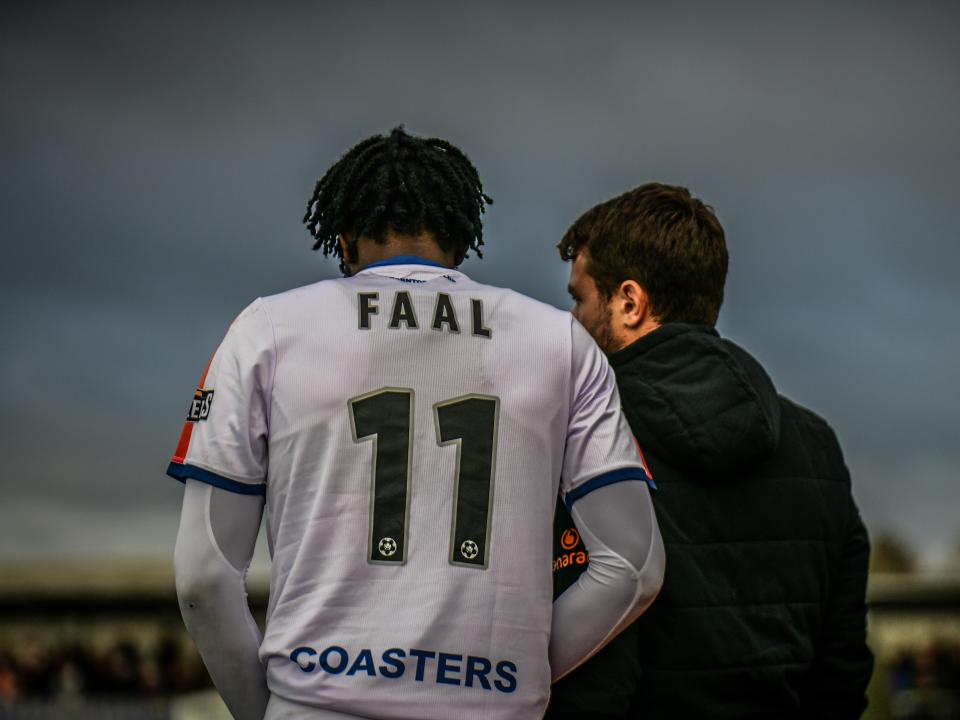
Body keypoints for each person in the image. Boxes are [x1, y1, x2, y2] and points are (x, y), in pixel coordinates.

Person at [167, 128, 665, 720]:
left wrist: (274, 708)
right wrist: (515, 676)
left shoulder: (266, 330)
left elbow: (203, 579)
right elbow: (634, 565)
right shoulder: (563, 342)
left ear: (344, 238)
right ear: (461, 239)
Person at [548, 183, 873, 719]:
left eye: (579, 298)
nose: (572, 322)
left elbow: (591, 665)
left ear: (629, 302)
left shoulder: (587, 435)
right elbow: (842, 666)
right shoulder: (816, 445)